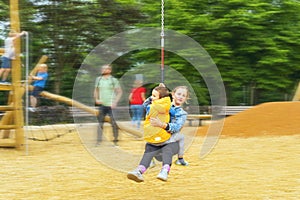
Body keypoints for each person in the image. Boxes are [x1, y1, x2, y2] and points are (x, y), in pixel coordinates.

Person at [127, 85, 190, 182]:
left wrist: (162, 125)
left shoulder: (181, 113)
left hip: (169, 143)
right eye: (178, 94)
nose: (180, 97)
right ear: (172, 94)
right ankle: (138, 172)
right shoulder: (160, 104)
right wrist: (158, 93)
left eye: (183, 95)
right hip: (156, 141)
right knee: (149, 148)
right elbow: (145, 106)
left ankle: (164, 172)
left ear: (186, 98)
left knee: (169, 147)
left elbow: (176, 127)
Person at [94, 64, 123, 146]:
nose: (103, 70)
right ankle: (98, 141)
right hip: (102, 105)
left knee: (114, 123)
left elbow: (119, 92)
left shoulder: (113, 80)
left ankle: (115, 140)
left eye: (105, 69)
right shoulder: (98, 79)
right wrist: (96, 99)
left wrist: (115, 102)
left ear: (110, 70)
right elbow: (96, 90)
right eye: (102, 69)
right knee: (100, 123)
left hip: (111, 105)